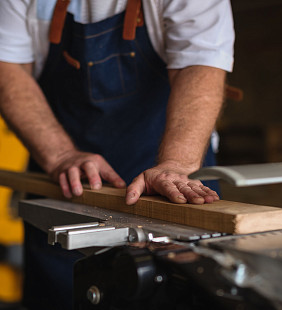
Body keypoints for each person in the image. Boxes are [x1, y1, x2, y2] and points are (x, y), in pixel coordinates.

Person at [0, 0, 234, 308]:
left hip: (170, 176)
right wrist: (58, 155)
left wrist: (176, 165)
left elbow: (200, 65)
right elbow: (8, 67)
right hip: (65, 182)